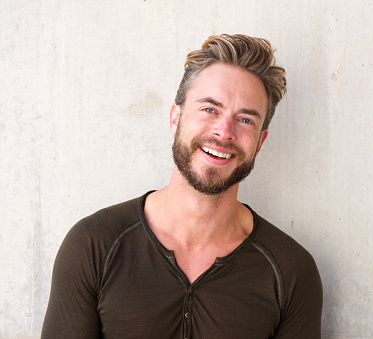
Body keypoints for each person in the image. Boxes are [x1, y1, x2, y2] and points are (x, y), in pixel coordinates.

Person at [42, 34, 323, 339]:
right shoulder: (94, 245)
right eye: (209, 109)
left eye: (245, 120)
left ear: (260, 142)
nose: (223, 131)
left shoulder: (291, 271)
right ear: (175, 118)